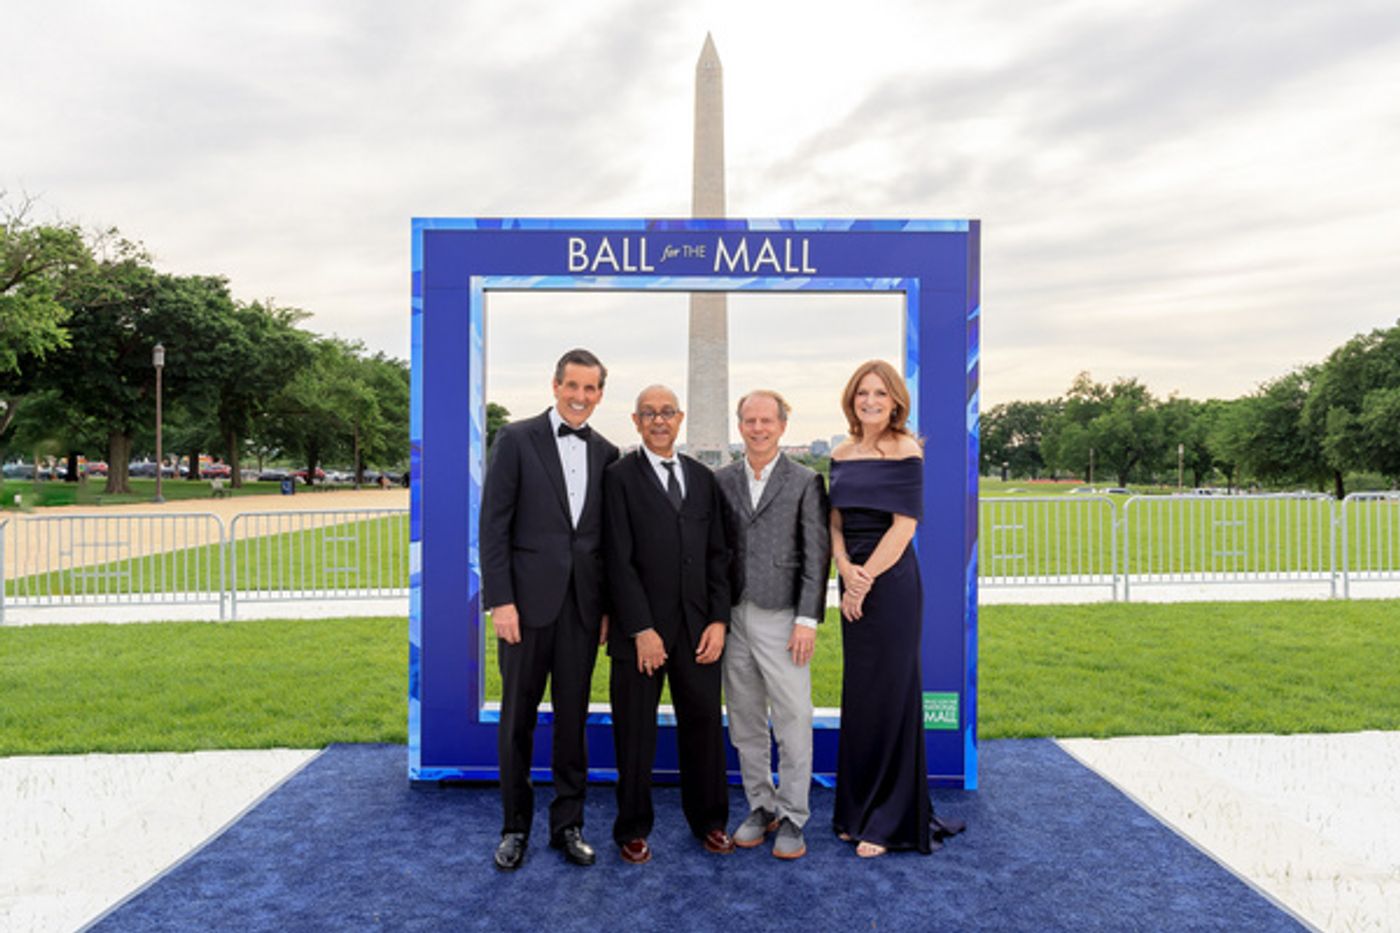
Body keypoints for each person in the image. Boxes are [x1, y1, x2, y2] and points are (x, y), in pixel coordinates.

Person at [479, 348, 620, 871]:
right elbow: (493, 527)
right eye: (573, 386)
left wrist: (605, 608)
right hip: (524, 608)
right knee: (517, 720)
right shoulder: (516, 439)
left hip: (582, 611)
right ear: (555, 385)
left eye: (590, 389)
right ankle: (515, 827)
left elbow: (603, 542)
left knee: (572, 722)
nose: (580, 397)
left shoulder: (607, 453)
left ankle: (569, 825)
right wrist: (501, 601)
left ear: (600, 394)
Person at [828, 359, 965, 857]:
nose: (870, 401)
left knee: (891, 695)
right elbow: (836, 523)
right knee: (860, 698)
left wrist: (863, 583)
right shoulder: (840, 452)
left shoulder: (907, 449)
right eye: (863, 393)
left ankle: (887, 822)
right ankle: (855, 812)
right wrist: (844, 568)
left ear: (895, 402)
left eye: (880, 395)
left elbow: (903, 528)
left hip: (892, 585)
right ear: (852, 399)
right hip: (851, 581)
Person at [604, 384, 733, 863]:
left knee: (702, 729)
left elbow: (719, 557)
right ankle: (632, 828)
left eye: (667, 413)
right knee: (634, 733)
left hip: (698, 632)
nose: (659, 420)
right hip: (640, 635)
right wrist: (641, 629)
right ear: (636, 421)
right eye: (649, 413)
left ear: (680, 419)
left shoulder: (703, 478)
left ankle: (710, 822)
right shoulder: (617, 478)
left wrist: (719, 621)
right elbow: (617, 560)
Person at [716, 390, 829, 860]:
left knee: (793, 718)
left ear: (783, 425)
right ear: (739, 425)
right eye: (749, 420)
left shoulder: (804, 481)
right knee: (744, 720)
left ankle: (794, 815)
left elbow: (816, 555)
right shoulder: (720, 480)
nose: (757, 428)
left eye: (766, 420)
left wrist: (807, 619)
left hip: (783, 616)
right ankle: (760, 805)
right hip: (732, 617)